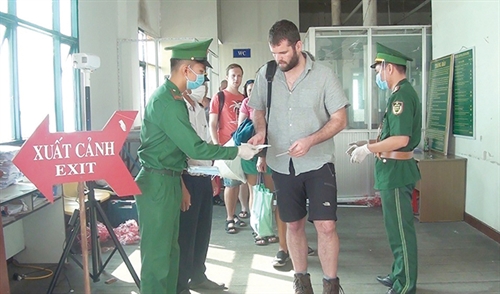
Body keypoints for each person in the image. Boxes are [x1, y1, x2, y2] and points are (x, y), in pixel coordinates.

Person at [134, 39, 260, 294]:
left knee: (171, 252)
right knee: (157, 258)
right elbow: (194, 148)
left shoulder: (176, 99)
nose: (202, 80)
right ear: (185, 69)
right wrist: (236, 150)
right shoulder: (167, 102)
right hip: (157, 182)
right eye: (200, 73)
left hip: (169, 179)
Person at [248, 20, 349, 294]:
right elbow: (257, 109)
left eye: (283, 53)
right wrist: (260, 133)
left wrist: (311, 140)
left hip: (318, 162)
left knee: (326, 226)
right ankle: (302, 282)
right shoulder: (266, 74)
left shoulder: (324, 75)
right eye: (274, 54)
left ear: (298, 46)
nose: (278, 59)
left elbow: (340, 118)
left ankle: (331, 285)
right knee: (293, 224)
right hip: (282, 163)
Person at [348, 43, 421, 294]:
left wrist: (368, 150)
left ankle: (406, 284)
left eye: (379, 70)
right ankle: (398, 274)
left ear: (389, 68)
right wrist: (366, 143)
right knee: (395, 230)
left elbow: (400, 140)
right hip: (392, 172)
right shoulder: (399, 94)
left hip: (397, 173)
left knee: (402, 232)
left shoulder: (401, 96)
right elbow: (392, 136)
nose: (378, 76)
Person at [176, 78, 226, 294]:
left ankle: (198, 276)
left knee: (202, 232)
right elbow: (176, 150)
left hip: (204, 175)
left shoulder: (198, 108)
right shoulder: (178, 108)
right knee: (186, 234)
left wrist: (213, 175)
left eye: (204, 79)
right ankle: (180, 284)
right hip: (187, 178)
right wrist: (182, 187)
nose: (202, 85)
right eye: (198, 78)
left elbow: (205, 144)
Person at [239, 79, 282, 247]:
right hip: (252, 152)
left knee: (268, 193)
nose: (252, 93)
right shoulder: (246, 104)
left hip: (271, 152)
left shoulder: (271, 103)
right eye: (249, 90)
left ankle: (267, 228)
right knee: (255, 192)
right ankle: (257, 229)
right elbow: (241, 128)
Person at [209, 63, 247, 234]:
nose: (236, 79)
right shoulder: (220, 97)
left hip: (243, 146)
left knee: (239, 181)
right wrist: (217, 145)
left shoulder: (245, 98)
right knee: (230, 183)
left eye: (239, 75)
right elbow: (212, 123)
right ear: (227, 76)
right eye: (233, 75)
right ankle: (229, 218)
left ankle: (237, 213)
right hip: (226, 146)